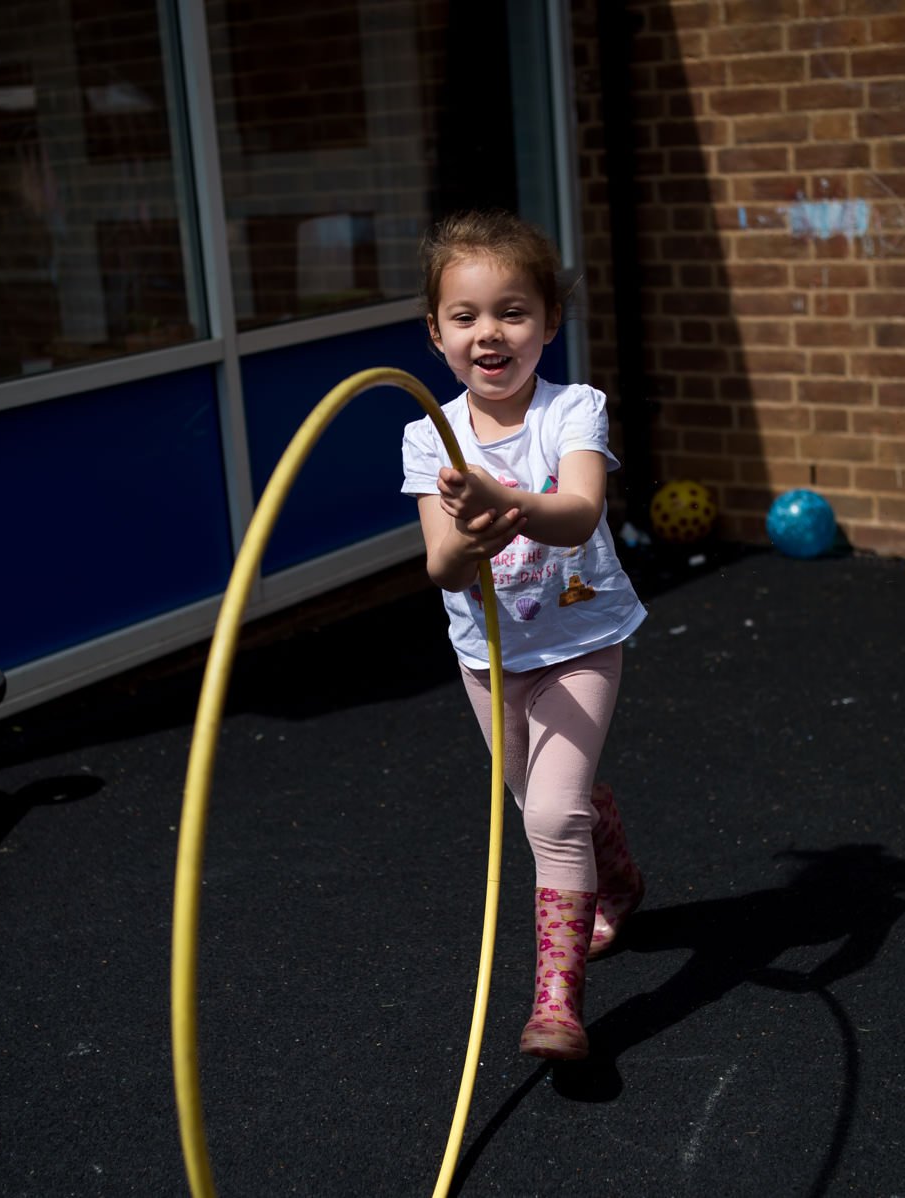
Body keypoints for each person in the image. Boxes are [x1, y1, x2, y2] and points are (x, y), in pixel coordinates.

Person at [400, 209, 647, 1061]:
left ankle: (557, 1004)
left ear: (548, 322)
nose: (489, 332)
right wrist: (469, 534)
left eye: (513, 311)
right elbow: (442, 567)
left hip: (581, 643)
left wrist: (508, 508)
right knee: (543, 806)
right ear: (436, 333)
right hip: (490, 662)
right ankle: (612, 868)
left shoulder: (572, 408)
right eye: (464, 316)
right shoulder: (427, 434)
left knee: (549, 815)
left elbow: (577, 513)